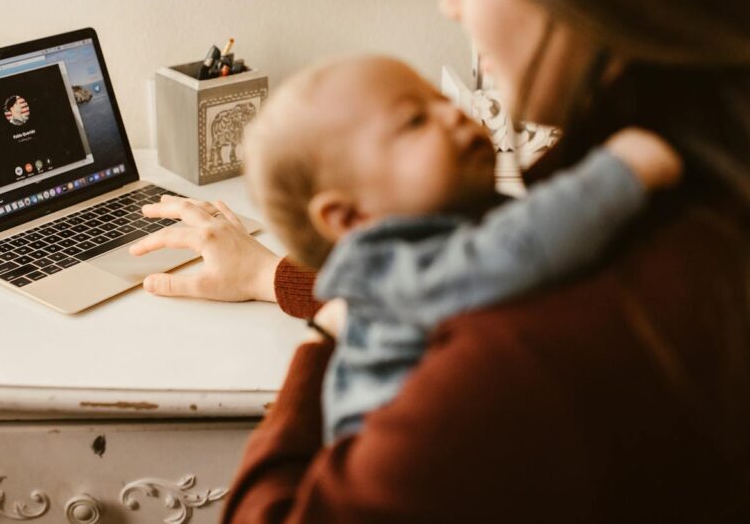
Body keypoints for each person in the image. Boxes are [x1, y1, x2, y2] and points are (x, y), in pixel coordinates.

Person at [129, 0, 750, 518]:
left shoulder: (516, 362)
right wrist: (275, 278)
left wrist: (321, 348)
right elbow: (481, 258)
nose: (451, 2)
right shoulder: (676, 172)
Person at [240, 54, 682, 442]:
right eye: (415, 120)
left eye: (443, 101)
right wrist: (619, 173)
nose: (453, 115)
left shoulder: (448, 231)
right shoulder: (391, 266)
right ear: (351, 218)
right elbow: (511, 253)